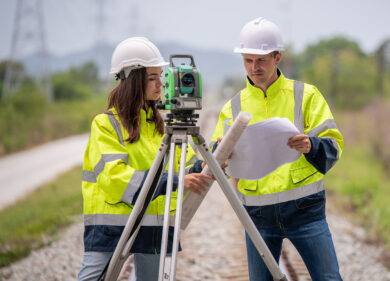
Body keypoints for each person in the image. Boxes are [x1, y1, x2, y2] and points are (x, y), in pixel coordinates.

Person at [211, 18, 344, 281]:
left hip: (305, 210)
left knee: (329, 278)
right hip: (258, 215)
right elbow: (217, 158)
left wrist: (311, 145)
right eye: (248, 60)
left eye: (260, 60)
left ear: (277, 57)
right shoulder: (233, 107)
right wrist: (222, 159)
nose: (253, 67)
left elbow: (334, 146)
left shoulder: (306, 95)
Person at [78, 37, 212, 281]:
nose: (161, 84)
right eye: (152, 78)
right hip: (113, 227)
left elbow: (187, 163)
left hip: (154, 225)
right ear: (132, 81)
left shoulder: (160, 126)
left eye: (161, 76)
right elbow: (114, 177)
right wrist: (172, 181)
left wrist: (208, 160)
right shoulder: (106, 124)